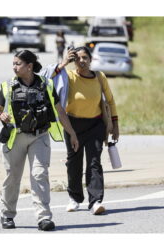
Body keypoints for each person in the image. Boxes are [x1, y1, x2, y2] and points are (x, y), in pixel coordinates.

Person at [0, 50, 79, 231]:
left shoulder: (46, 85)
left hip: (39, 136)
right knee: (12, 178)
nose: (14, 67)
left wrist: (72, 133)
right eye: (13, 63)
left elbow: (60, 111)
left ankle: (44, 218)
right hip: (15, 137)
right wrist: (1, 115)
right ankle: (7, 215)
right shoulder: (8, 86)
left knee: (40, 175)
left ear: (29, 66)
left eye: (18, 63)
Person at [51, 46, 119, 215]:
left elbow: (110, 100)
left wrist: (115, 124)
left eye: (85, 58)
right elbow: (47, 79)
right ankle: (74, 198)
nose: (81, 61)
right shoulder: (68, 75)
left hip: (95, 125)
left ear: (90, 60)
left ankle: (95, 201)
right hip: (72, 125)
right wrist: (65, 62)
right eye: (78, 58)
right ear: (74, 61)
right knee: (74, 162)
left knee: (94, 162)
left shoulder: (99, 76)